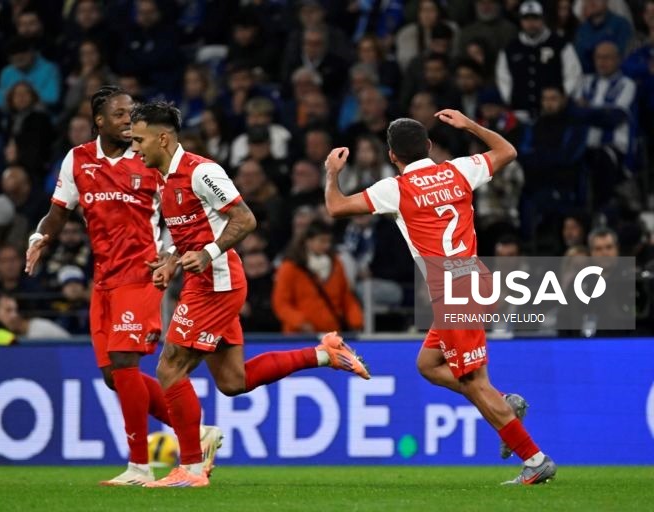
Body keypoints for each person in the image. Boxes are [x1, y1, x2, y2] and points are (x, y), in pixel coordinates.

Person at [129, 101, 370, 488]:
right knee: (233, 381)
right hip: (204, 280)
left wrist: (206, 254)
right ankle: (327, 354)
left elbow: (245, 219)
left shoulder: (202, 171)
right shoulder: (163, 178)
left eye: (139, 139)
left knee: (169, 368)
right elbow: (193, 234)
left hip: (218, 282)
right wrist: (173, 260)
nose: (135, 147)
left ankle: (190, 468)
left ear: (163, 137)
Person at [323, 111, 556, 485]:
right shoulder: (459, 170)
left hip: (453, 291)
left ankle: (534, 459)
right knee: (429, 364)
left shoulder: (395, 188)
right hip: (476, 280)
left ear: (392, 156)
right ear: (429, 146)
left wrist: (332, 172)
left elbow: (335, 207)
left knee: (474, 381)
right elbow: (507, 151)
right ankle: (505, 402)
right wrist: (470, 127)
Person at [24, 86, 220, 486]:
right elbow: (57, 213)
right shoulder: (78, 160)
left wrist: (170, 253)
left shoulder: (148, 158)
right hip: (105, 280)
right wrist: (38, 238)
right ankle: (195, 432)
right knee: (115, 375)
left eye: (131, 114)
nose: (128, 121)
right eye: (119, 115)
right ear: (99, 121)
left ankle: (138, 466)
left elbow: (182, 210)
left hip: (142, 274)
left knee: (126, 362)